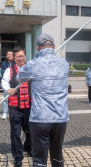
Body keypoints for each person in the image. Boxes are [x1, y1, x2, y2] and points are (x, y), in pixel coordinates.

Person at [17, 34, 69, 167]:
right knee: (57, 157)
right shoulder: (64, 63)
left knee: (39, 160)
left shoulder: (33, 64)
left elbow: (20, 78)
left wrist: (35, 58)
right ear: (54, 47)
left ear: (38, 48)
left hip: (40, 118)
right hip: (60, 118)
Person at [1, 47, 32, 167]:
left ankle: (28, 148)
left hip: (28, 106)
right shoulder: (9, 70)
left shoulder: (30, 70)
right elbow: (4, 81)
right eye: (19, 56)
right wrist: (8, 88)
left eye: (23, 56)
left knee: (30, 131)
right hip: (15, 108)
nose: (21, 58)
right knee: (15, 133)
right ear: (14, 58)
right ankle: (18, 157)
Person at [0, 50, 15, 120]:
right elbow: (3, 74)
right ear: (6, 56)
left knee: (14, 99)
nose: (10, 56)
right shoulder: (3, 64)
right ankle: (4, 113)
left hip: (14, 84)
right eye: (8, 54)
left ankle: (13, 112)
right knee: (6, 99)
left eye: (11, 55)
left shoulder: (15, 63)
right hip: (7, 84)